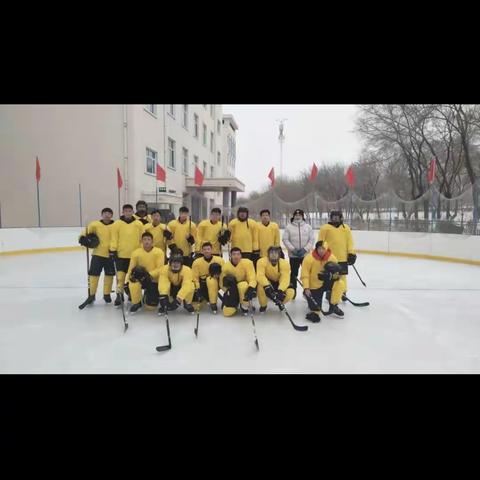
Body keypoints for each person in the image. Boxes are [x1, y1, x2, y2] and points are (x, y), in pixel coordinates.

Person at [78, 207, 115, 307]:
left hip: (110, 255)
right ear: (102, 215)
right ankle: (92, 295)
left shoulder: (116, 225)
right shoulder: (95, 224)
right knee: (93, 275)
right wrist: (82, 238)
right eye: (105, 213)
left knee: (109, 275)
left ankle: (106, 294)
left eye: (109, 213)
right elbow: (85, 232)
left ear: (112, 215)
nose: (107, 215)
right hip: (97, 254)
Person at [301, 241, 345, 322]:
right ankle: (309, 301)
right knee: (316, 309)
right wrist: (306, 288)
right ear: (316, 249)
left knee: (340, 284)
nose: (321, 250)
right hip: (313, 285)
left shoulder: (332, 258)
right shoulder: (309, 258)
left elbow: (339, 275)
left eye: (323, 248)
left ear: (327, 249)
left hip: (327, 283)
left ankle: (333, 305)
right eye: (319, 248)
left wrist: (330, 276)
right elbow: (304, 275)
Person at [109, 204, 144, 306]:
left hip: (134, 256)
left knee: (132, 277)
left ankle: (131, 294)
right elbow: (114, 237)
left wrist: (141, 251)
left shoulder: (138, 224)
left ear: (133, 212)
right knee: (120, 277)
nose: (128, 213)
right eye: (126, 211)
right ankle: (119, 295)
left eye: (130, 211)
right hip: (121, 255)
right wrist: (113, 250)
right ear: (123, 212)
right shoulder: (117, 224)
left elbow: (142, 238)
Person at [317, 210, 356, 302]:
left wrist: (351, 253)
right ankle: (329, 292)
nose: (335, 219)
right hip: (330, 258)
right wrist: (322, 253)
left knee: (342, 276)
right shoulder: (325, 228)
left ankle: (343, 292)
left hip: (343, 257)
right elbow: (321, 242)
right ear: (330, 218)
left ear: (341, 218)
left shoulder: (345, 228)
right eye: (333, 217)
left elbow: (349, 242)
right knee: (331, 276)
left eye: (337, 217)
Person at [126, 232, 165, 314]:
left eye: (149, 239)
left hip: (153, 279)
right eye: (144, 239)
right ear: (141, 241)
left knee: (151, 307)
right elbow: (131, 269)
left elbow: (160, 268)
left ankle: (147, 296)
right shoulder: (136, 253)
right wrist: (127, 280)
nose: (147, 241)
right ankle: (137, 302)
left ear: (152, 241)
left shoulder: (159, 252)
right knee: (132, 282)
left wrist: (149, 275)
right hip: (140, 278)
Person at [282, 209, 315, 298]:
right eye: (296, 215)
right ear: (293, 216)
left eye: (300, 215)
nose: (298, 216)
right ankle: (293, 291)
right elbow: (285, 239)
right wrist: (293, 249)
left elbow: (311, 240)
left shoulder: (308, 227)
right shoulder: (289, 227)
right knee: (293, 274)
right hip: (293, 255)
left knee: (307, 273)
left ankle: (307, 290)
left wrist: (305, 249)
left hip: (305, 256)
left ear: (302, 216)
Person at [256, 246, 295, 313]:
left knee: (291, 292)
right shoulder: (261, 261)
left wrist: (281, 290)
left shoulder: (285, 263)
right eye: (271, 253)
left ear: (279, 255)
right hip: (268, 282)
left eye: (276, 253)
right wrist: (267, 286)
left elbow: (285, 278)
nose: (273, 254)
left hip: (279, 283)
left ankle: (281, 303)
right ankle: (263, 305)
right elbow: (260, 275)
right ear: (268, 254)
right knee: (260, 286)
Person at [219, 247, 257, 317]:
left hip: (244, 287)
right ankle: (234, 303)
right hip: (232, 289)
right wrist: (227, 291)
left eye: (238, 254)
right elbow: (221, 283)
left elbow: (252, 278)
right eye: (234, 254)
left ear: (241, 256)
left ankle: (244, 305)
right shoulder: (225, 267)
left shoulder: (248, 263)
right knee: (227, 313)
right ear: (230, 255)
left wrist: (251, 288)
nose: (236, 256)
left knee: (242, 285)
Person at [191, 242, 224, 313]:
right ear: (202, 251)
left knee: (210, 280)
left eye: (208, 249)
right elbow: (195, 277)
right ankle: (204, 298)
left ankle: (213, 303)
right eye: (204, 249)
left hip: (215, 283)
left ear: (212, 250)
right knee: (195, 307)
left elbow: (223, 274)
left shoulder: (219, 260)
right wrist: (197, 288)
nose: (206, 251)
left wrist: (222, 284)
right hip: (202, 284)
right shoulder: (196, 262)